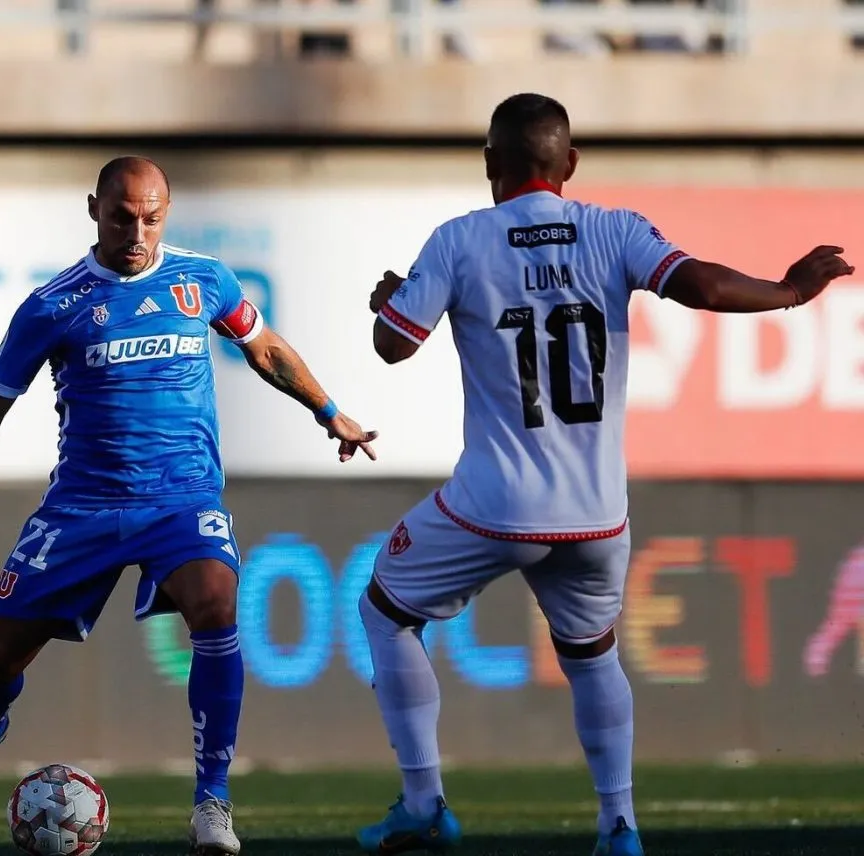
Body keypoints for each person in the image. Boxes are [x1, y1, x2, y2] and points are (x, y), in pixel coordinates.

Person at [355, 93, 853, 856]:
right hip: (596, 512)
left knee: (387, 612)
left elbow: (394, 345)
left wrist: (390, 305)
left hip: (495, 505)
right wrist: (788, 291)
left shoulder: (460, 240)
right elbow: (705, 287)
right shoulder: (615, 230)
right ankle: (618, 824)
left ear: (490, 164)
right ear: (571, 165)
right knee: (592, 656)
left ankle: (424, 801)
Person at [0, 156, 378, 856]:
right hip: (83, 506)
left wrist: (330, 411)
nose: (138, 231)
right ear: (94, 209)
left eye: (153, 218)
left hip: (182, 497)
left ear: (168, 212)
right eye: (123, 216)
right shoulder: (52, 306)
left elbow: (266, 349)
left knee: (219, 603)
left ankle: (212, 801)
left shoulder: (204, 280)